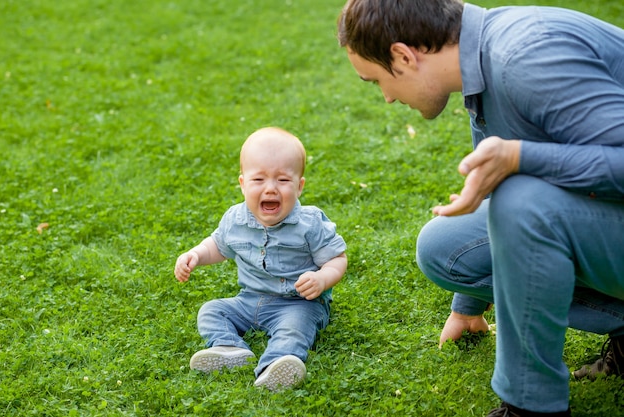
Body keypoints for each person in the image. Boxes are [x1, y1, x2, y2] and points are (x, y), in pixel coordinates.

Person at [337, 0, 624, 415]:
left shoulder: (523, 55)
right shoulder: (485, 56)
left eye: (377, 80)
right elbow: (496, 196)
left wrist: (520, 157)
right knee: (445, 246)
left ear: (403, 55)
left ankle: (531, 407)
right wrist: (468, 304)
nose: (386, 98)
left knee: (523, 203)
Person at [174, 127, 347, 392]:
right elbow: (218, 246)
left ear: (299, 186)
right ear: (243, 184)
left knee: (294, 328)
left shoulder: (309, 223)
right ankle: (230, 348)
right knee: (211, 311)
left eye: (282, 180)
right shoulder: (235, 219)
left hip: (298, 304)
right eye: (259, 180)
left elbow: (337, 259)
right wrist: (195, 255)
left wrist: (322, 278)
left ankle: (275, 364)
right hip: (249, 300)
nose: (270, 189)